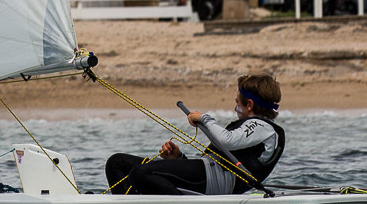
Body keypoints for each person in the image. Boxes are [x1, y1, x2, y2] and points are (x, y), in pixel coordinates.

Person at [105, 73, 284, 196]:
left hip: (217, 182)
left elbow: (226, 141)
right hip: (207, 174)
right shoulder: (254, 127)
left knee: (140, 173)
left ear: (250, 105)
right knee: (117, 163)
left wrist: (204, 118)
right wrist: (179, 158)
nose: (235, 107)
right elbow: (217, 159)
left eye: (237, 102)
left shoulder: (263, 128)